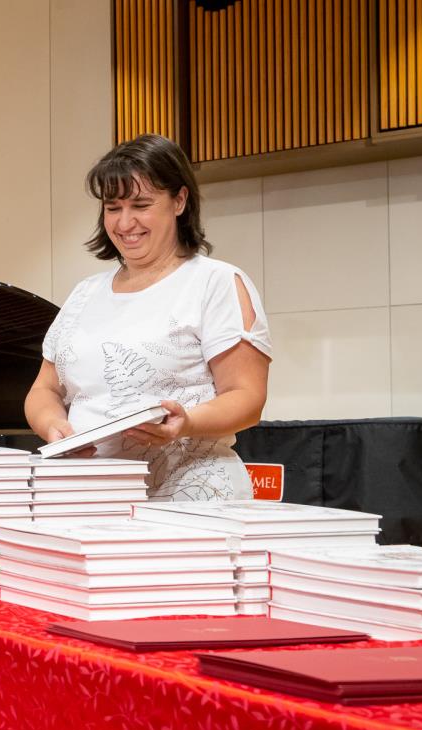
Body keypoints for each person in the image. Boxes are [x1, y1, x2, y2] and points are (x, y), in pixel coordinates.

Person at [24, 133, 270, 500]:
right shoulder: (85, 293)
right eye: (113, 208)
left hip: (192, 496)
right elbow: (44, 389)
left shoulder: (215, 282)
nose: (125, 223)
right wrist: (54, 425)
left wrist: (187, 422)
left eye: (141, 205)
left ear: (179, 201)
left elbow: (247, 397)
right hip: (92, 498)